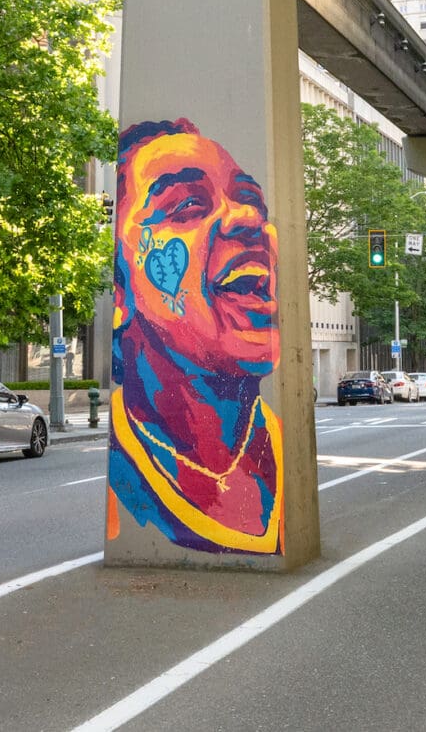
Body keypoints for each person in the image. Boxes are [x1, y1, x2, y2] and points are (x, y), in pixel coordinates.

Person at [108, 119, 283, 556]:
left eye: (252, 201)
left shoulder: (281, 447)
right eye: (186, 206)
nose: (248, 218)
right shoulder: (118, 489)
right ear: (119, 295)